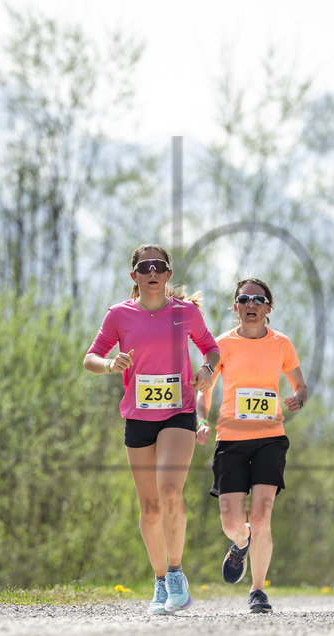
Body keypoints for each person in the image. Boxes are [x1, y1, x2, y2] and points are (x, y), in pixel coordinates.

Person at [84, 244, 220, 615]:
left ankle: (176, 574)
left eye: (159, 266)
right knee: (149, 507)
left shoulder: (185, 312)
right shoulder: (118, 315)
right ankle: (160, 581)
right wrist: (111, 364)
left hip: (179, 412)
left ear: (168, 274)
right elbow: (90, 358)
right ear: (135, 277)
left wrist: (208, 371)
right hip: (138, 417)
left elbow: (211, 348)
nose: (152, 271)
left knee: (171, 490)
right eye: (145, 267)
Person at [196, 278, 308, 614]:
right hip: (230, 438)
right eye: (243, 299)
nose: (251, 304)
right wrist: (202, 421)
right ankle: (240, 544)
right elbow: (205, 391)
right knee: (233, 523)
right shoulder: (222, 345)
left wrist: (298, 399)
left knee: (261, 517)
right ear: (235, 307)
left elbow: (301, 385)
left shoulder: (281, 344)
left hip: (271, 437)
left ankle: (258, 590)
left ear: (268, 308)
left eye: (258, 299)